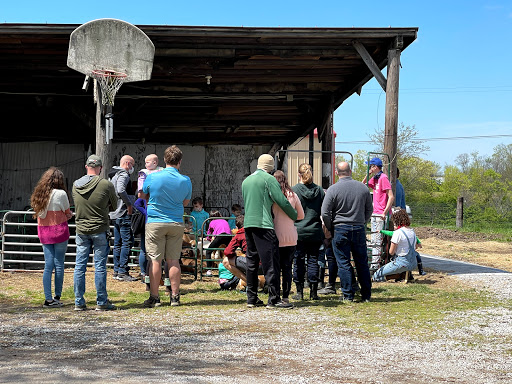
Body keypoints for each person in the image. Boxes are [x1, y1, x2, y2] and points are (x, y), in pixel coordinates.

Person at [242, 154, 297, 309]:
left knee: (251, 262)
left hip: (248, 224)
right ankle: (273, 299)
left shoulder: (246, 181)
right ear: (271, 166)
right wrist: (294, 216)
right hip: (264, 224)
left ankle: (251, 298)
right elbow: (281, 200)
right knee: (271, 262)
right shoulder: (269, 179)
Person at [141, 145, 192, 308]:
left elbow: (142, 195)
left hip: (156, 221)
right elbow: (185, 202)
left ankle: (154, 297)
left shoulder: (153, 176)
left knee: (155, 260)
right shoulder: (185, 180)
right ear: (180, 161)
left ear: (164, 160)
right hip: (176, 222)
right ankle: (175, 297)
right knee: (174, 260)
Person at [321, 162, 373, 302]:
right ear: (350, 171)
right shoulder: (363, 188)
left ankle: (348, 295)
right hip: (358, 228)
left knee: (343, 262)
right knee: (361, 262)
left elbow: (325, 212)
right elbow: (369, 209)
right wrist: (362, 221)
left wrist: (330, 227)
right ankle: (366, 295)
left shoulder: (333, 189)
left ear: (337, 173)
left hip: (340, 228)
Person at [72, 155, 118, 311]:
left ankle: (79, 301)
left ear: (86, 167)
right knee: (100, 267)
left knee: (79, 266)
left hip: (81, 230)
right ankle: (101, 302)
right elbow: (114, 205)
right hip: (100, 229)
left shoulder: (75, 185)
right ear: (101, 168)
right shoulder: (106, 184)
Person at [30, 167, 73, 308]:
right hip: (59, 230)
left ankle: (48, 299)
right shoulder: (61, 194)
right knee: (59, 264)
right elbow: (67, 212)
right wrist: (68, 215)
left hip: (44, 231)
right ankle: (57, 296)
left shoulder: (39, 194)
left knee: (48, 265)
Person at [292, 163, 325, 301]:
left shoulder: (294, 191)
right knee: (313, 261)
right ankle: (313, 292)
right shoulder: (319, 190)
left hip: (299, 231)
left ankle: (299, 292)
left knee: (298, 260)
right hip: (315, 231)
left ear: (299, 174)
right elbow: (324, 210)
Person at [272, 170, 304, 303]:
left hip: (275, 235)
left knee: (275, 268)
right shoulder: (293, 195)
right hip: (291, 236)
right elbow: (301, 215)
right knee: (287, 268)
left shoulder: (272, 195)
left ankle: (275, 295)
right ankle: (285, 296)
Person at [108, 154, 137, 282]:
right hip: (123, 212)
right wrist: (129, 204)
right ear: (127, 164)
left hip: (114, 213)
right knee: (127, 242)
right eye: (132, 165)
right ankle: (123, 271)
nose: (132, 168)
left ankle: (116, 270)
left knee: (118, 243)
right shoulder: (123, 174)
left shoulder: (112, 175)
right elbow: (120, 190)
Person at [362, 157, 394, 271]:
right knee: (374, 239)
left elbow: (391, 196)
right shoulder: (375, 178)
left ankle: (375, 265)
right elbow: (363, 184)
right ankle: (374, 263)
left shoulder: (383, 178)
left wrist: (385, 212)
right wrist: (368, 174)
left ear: (375, 167)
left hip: (381, 214)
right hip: (375, 212)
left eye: (370, 166)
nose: (369, 168)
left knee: (377, 238)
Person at [136, 154, 164, 282]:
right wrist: (145, 212)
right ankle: (145, 273)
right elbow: (139, 198)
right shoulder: (144, 174)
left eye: (148, 162)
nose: (146, 164)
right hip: (152, 218)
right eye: (145, 162)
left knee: (154, 250)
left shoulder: (161, 171)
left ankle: (151, 275)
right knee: (146, 249)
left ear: (155, 162)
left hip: (155, 218)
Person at [372, 209, 419, 282]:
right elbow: (415, 247)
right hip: (413, 263)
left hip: (402, 262)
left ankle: (394, 276)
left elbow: (391, 252)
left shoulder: (397, 233)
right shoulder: (412, 231)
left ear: (397, 221)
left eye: (394, 223)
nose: (393, 225)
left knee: (376, 275)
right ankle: (403, 275)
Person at [205, 210, 231, 276]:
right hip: (229, 236)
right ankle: (233, 268)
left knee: (208, 251)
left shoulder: (212, 222)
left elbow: (209, 233)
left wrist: (208, 239)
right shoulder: (224, 220)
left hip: (220, 236)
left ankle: (209, 270)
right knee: (230, 252)